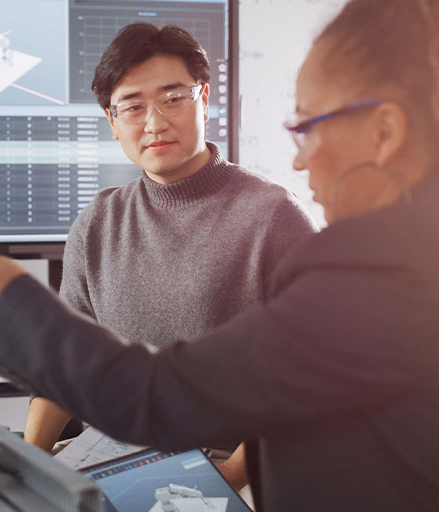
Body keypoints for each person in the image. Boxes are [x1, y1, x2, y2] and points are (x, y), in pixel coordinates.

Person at [0, 0, 439, 509]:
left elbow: (158, 396)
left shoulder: (378, 267)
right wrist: (35, 459)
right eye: (132, 106)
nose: (301, 160)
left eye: (310, 125)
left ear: (385, 132)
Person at [23, 22, 316, 490]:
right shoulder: (97, 222)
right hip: (111, 457)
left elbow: (307, 377)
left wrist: (227, 480)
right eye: (133, 106)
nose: (155, 122)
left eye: (172, 98)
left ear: (203, 99)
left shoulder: (272, 215)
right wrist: (25, 464)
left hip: (227, 464)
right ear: (112, 121)